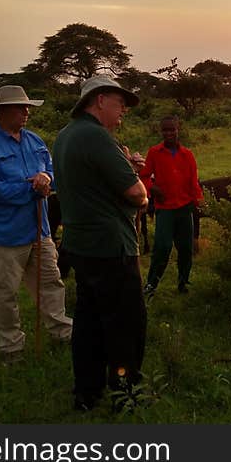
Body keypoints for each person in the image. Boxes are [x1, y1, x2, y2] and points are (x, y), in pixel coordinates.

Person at [52, 74, 148, 411]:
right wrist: (136, 177)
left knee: (89, 321)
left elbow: (91, 185)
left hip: (80, 244)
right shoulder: (97, 137)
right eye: (119, 100)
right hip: (112, 247)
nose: (123, 108)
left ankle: (86, 392)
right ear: (99, 100)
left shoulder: (65, 136)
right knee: (125, 324)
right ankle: (125, 392)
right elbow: (137, 194)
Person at [0, 85, 72, 365]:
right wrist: (30, 189)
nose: (26, 112)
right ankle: (11, 348)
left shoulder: (35, 141)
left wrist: (46, 179)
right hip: (2, 235)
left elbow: (52, 172)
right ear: (1, 112)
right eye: (19, 107)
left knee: (51, 284)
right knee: (4, 295)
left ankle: (62, 333)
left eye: (27, 107)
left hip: (39, 230)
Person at [139, 116, 204, 297]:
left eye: (172, 129)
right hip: (165, 208)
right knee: (162, 246)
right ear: (161, 132)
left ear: (178, 130)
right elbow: (144, 176)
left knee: (185, 248)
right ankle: (151, 284)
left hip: (184, 208)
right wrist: (152, 188)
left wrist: (198, 201)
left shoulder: (187, 155)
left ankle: (183, 282)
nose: (168, 133)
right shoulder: (155, 152)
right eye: (165, 130)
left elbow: (193, 182)